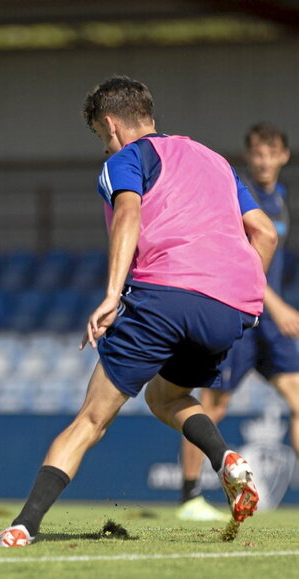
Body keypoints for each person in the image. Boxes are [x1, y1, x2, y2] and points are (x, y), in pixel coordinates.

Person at [0, 75, 278, 547]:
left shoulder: (128, 159)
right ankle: (226, 458)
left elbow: (129, 214)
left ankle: (24, 526)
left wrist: (110, 295)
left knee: (90, 420)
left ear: (111, 124)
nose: (105, 147)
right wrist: (245, 294)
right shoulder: (216, 161)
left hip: (164, 295)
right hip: (228, 309)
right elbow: (264, 233)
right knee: (165, 398)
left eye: (101, 137)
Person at [177, 122, 299, 521]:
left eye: (272, 153)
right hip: (246, 315)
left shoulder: (280, 198)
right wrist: (277, 306)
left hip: (271, 326)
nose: (264, 160)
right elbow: (243, 261)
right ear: (249, 156)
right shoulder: (239, 197)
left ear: (283, 156)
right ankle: (190, 496)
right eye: (257, 153)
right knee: (212, 405)